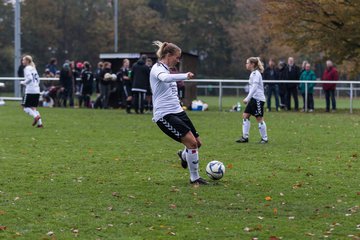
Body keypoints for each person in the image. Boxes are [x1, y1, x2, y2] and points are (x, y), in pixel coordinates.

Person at [150, 41, 208, 185]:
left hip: (178, 111)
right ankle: (195, 178)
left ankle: (184, 155)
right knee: (192, 143)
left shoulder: (168, 69)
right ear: (168, 55)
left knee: (198, 143)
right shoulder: (157, 69)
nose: (178, 60)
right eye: (177, 57)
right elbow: (165, 78)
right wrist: (185, 75)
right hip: (164, 115)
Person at [236, 57, 268, 144]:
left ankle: (264, 139)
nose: (246, 65)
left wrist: (247, 98)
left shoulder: (256, 74)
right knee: (245, 115)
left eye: (247, 63)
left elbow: (254, 87)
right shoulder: (253, 73)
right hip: (253, 99)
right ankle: (245, 137)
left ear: (252, 64)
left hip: (258, 99)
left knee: (259, 118)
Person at [20, 55, 43, 128]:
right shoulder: (33, 68)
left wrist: (23, 82)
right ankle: (40, 124)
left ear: (27, 61)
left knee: (25, 107)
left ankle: (36, 117)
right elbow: (38, 79)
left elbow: (29, 78)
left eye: (23, 60)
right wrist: (35, 85)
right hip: (37, 90)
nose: (22, 61)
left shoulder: (26, 68)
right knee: (33, 108)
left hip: (30, 90)